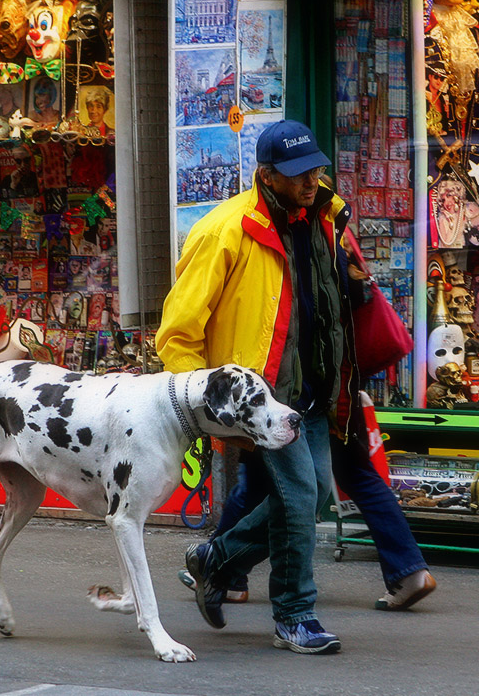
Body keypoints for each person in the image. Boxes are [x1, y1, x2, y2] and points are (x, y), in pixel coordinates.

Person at [156, 120, 348, 655]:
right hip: (260, 400)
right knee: (300, 497)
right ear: (266, 175)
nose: (311, 180)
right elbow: (178, 330)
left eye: (314, 169)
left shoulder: (325, 219)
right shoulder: (225, 230)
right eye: (297, 174)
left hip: (311, 387)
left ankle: (214, 560)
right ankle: (295, 614)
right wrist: (201, 407)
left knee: (310, 499)